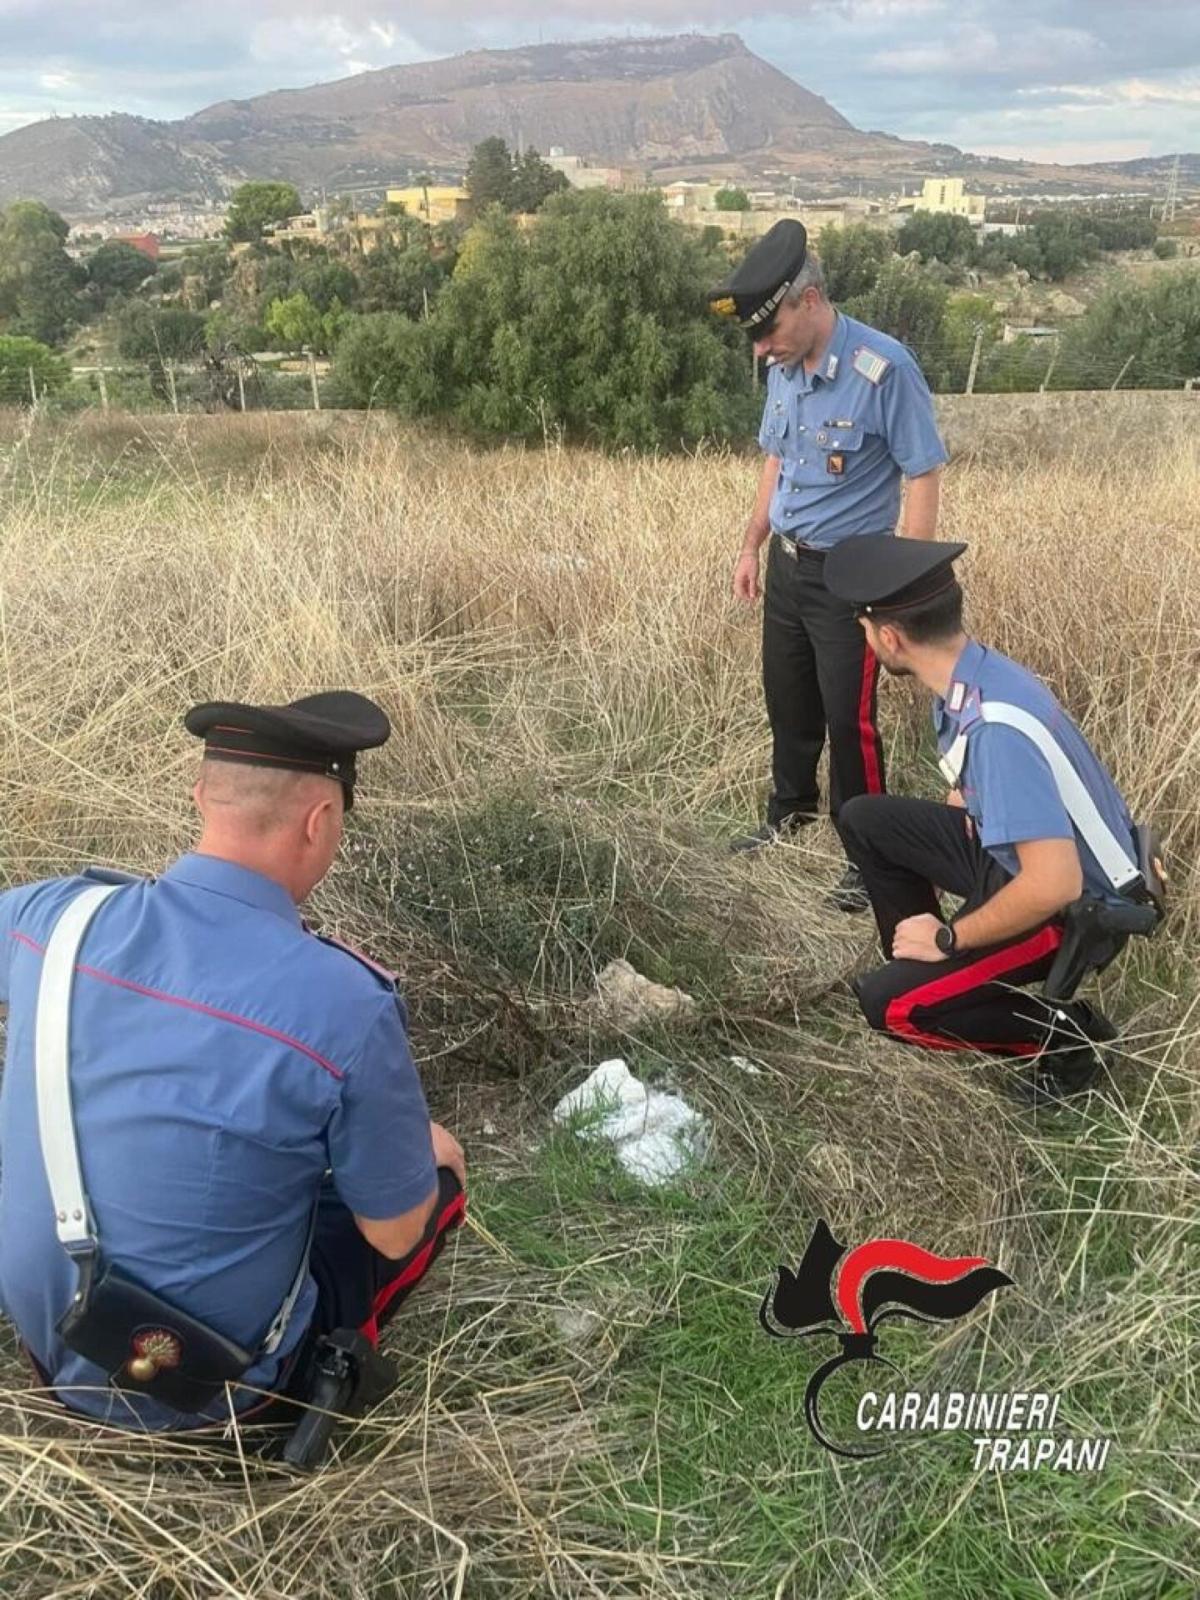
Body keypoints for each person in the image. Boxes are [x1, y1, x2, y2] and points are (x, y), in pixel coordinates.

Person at [0, 691, 466, 1430]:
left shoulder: (48, 918)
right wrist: (423, 1153)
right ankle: (306, 1384)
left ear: (200, 797)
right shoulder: (347, 1001)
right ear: (321, 822)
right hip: (214, 1393)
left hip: (52, 1350)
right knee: (432, 1179)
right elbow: (394, 1233)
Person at [824, 537, 1151, 1095]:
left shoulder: (995, 727)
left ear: (890, 637)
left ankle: (1072, 1042)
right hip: (1016, 861)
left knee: (890, 1006)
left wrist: (951, 938)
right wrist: (974, 799)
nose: (864, 636)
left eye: (863, 626)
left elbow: (1056, 882)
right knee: (864, 819)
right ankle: (934, 973)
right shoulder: (971, 675)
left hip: (1074, 910)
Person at [709, 219, 948, 910]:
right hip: (788, 567)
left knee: (852, 722)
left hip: (853, 578)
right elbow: (776, 460)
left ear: (808, 301)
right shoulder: (784, 368)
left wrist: (903, 591)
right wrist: (751, 543)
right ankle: (789, 813)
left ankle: (866, 853)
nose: (760, 348)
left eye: (768, 329)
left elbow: (923, 473)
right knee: (788, 699)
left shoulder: (885, 368)